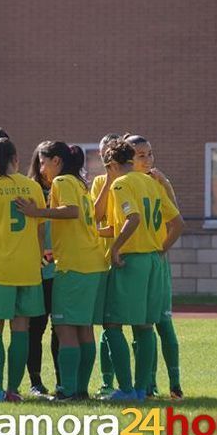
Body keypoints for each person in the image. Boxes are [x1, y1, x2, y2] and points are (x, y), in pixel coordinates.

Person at [16, 141, 108, 401]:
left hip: (74, 266)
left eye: (43, 162)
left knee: (65, 328)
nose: (41, 168)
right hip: (91, 262)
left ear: (57, 161)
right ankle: (80, 389)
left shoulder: (62, 181)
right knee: (84, 329)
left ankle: (67, 390)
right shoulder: (79, 183)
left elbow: (71, 212)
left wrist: (36, 211)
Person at [95, 138, 184, 401]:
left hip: (131, 262)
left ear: (111, 165)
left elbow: (132, 219)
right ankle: (143, 388)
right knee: (145, 327)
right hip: (154, 263)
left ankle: (125, 388)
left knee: (112, 324)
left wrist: (115, 248)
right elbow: (178, 223)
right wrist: (160, 249)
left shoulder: (121, 183)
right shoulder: (151, 183)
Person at [0, 137, 47, 403]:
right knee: (21, 329)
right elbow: (41, 227)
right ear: (16, 158)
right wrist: (37, 257)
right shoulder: (33, 187)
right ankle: (13, 390)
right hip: (28, 268)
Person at [129, 136, 184, 400]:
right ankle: (148, 383)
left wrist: (161, 248)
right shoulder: (126, 183)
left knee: (160, 323)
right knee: (141, 326)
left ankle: (174, 384)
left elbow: (176, 218)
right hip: (141, 260)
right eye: (141, 155)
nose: (148, 160)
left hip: (153, 261)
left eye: (150, 154)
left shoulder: (154, 183)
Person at [24, 145, 60, 398]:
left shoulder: (66, 188)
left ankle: (62, 381)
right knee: (34, 328)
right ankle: (35, 381)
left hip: (60, 270)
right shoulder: (30, 190)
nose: (43, 168)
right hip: (36, 270)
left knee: (60, 329)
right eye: (40, 162)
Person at [90, 132, 120, 399]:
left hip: (129, 257)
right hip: (104, 259)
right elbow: (96, 216)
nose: (106, 156)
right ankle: (107, 381)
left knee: (145, 325)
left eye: (111, 151)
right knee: (108, 322)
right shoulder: (100, 181)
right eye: (103, 153)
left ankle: (147, 383)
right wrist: (109, 180)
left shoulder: (138, 181)